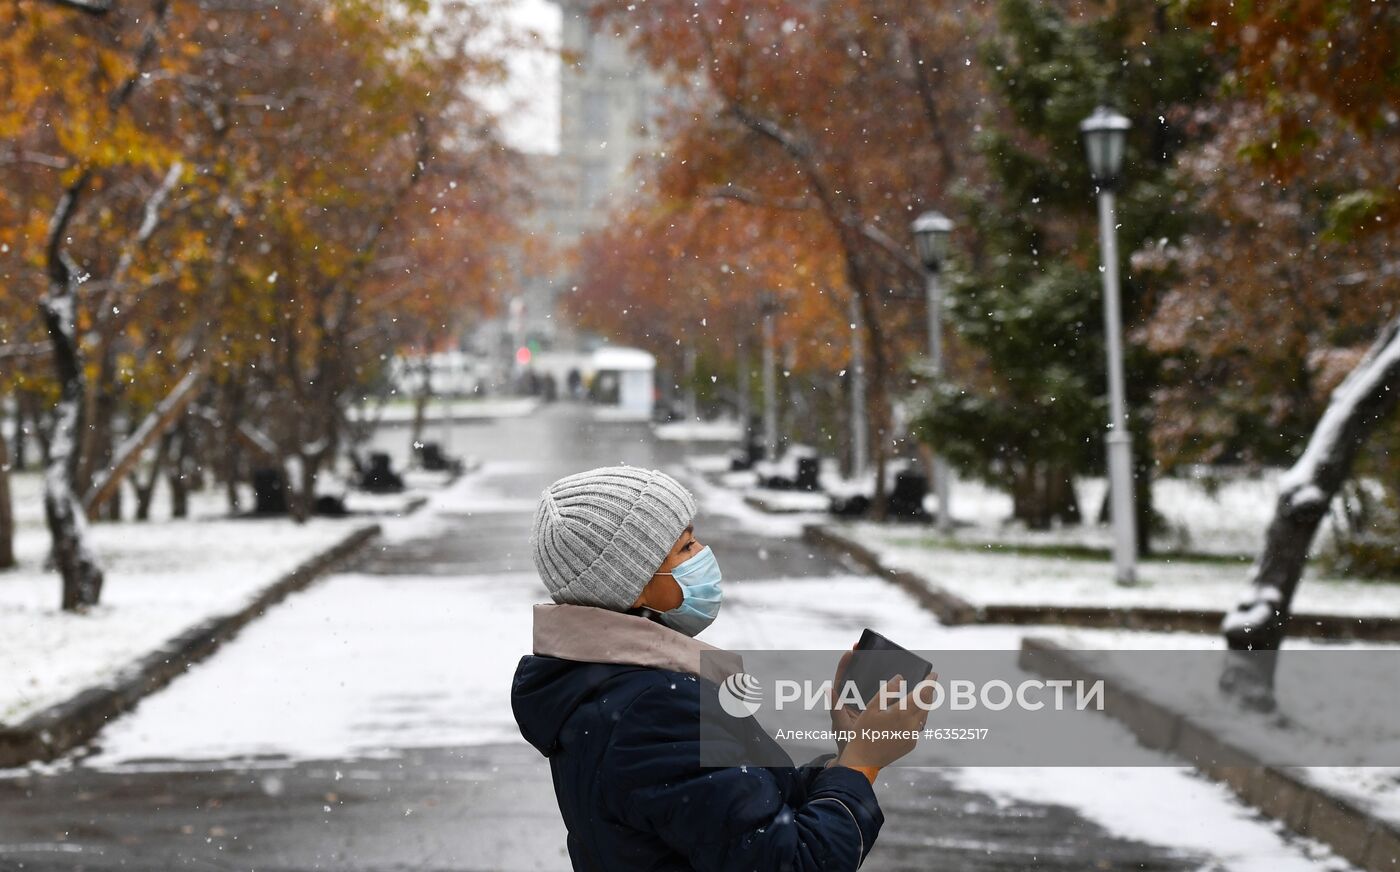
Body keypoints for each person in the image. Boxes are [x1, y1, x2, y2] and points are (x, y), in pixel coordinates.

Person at [511, 466, 927, 871]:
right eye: (686, 547)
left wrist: (845, 762)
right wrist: (862, 764)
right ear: (631, 584)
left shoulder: (620, 689)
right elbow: (792, 860)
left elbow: (742, 820)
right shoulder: (651, 712)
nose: (704, 555)